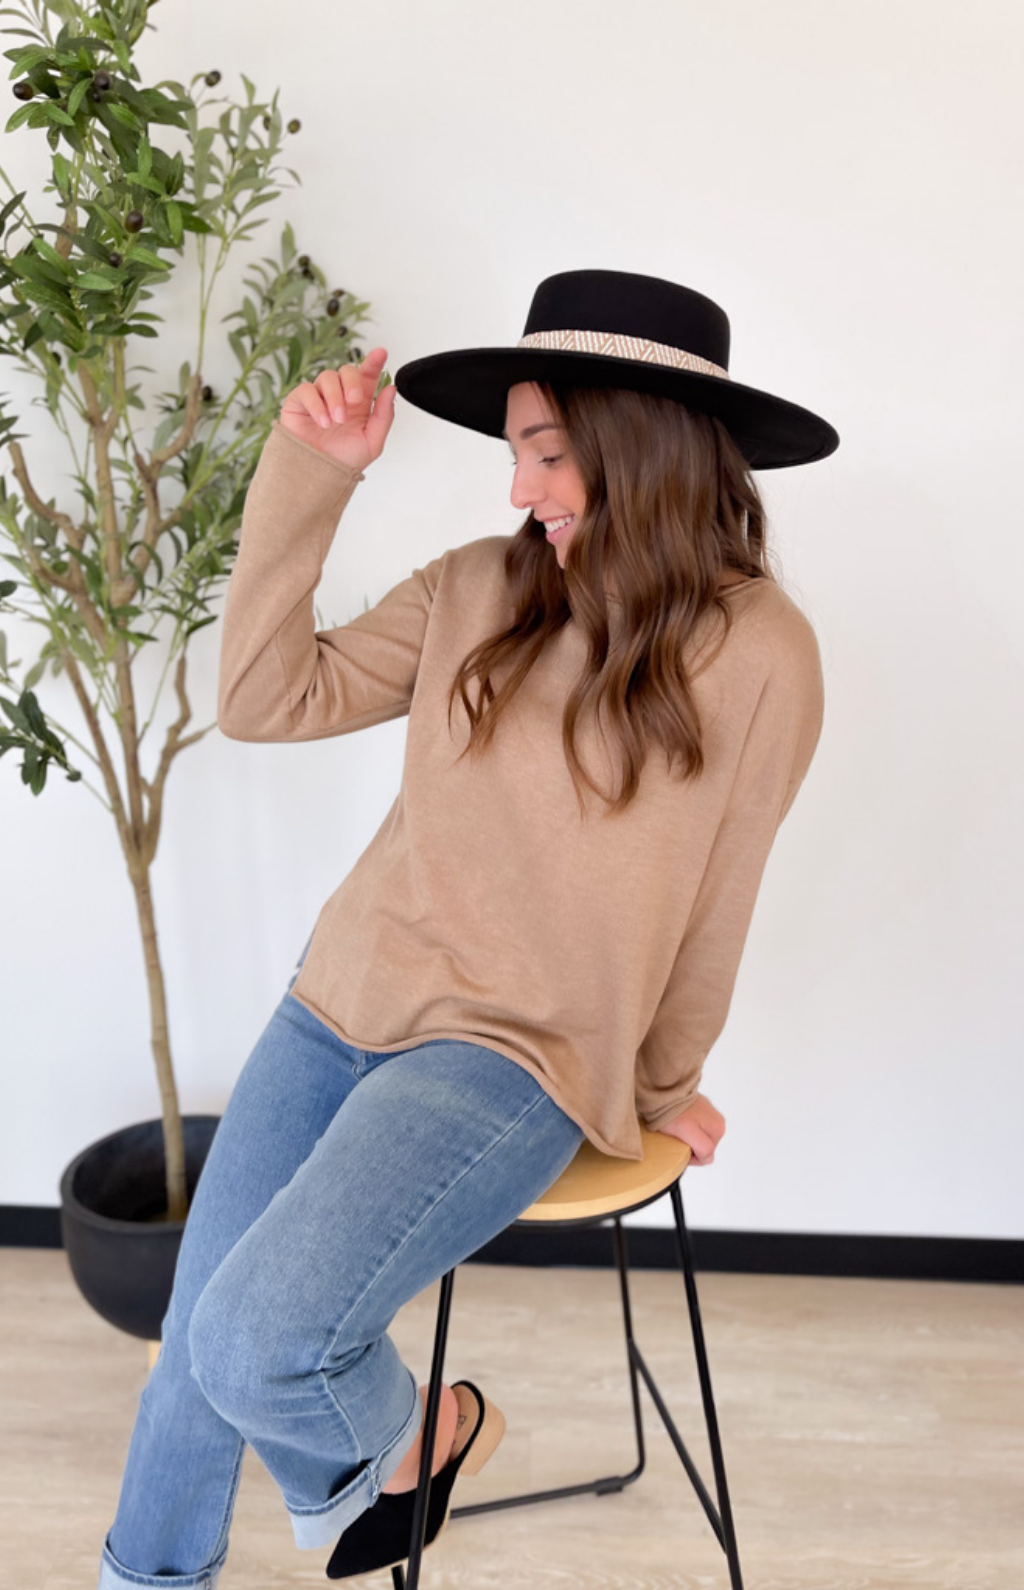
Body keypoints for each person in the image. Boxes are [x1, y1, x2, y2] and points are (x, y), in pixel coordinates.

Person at [95, 268, 838, 1588]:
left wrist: (656, 1089)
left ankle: (411, 1437)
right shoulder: (478, 588)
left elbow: (719, 900)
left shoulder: (762, 650)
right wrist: (311, 475)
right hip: (337, 999)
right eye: (514, 454)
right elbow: (265, 699)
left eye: (544, 453)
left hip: (510, 1056)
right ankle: (259, 1520)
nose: (517, 490)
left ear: (638, 443)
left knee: (251, 1337)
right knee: (194, 1356)